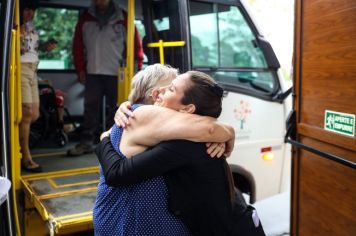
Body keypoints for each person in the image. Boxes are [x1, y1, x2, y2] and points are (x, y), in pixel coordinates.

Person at [96, 71, 266, 235]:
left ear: (188, 109)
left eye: (171, 89)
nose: (159, 92)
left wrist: (104, 140)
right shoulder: (184, 135)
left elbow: (117, 173)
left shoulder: (185, 144)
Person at [68, 0, 144, 156]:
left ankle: (114, 142)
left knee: (117, 108)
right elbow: (77, 46)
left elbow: (136, 45)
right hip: (93, 71)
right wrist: (80, 69)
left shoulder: (124, 17)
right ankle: (86, 142)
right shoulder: (85, 18)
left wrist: (136, 70)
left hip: (118, 73)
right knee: (90, 108)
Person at [20, 1, 57, 172]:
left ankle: (16, 145)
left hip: (33, 69)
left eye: (32, 10)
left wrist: (44, 46)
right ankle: (25, 157)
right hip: (20, 69)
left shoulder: (31, 27)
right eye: (27, 9)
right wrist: (18, 39)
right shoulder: (13, 27)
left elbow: (32, 49)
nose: (30, 13)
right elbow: (16, 49)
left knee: (34, 114)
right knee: (26, 112)